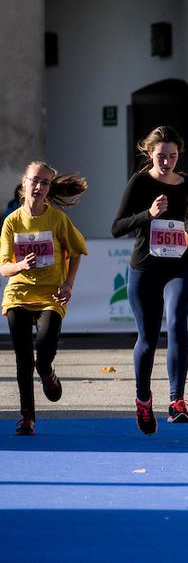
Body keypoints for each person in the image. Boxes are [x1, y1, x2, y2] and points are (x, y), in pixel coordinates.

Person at [111, 126, 188, 434]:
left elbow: (182, 213)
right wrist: (148, 214)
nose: (167, 162)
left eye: (172, 156)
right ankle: (143, 398)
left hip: (179, 264)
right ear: (149, 154)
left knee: (176, 323)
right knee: (148, 339)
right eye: (161, 156)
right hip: (146, 267)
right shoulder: (139, 182)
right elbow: (117, 226)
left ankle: (177, 402)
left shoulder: (185, 182)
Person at [1, 162, 88, 435]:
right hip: (18, 294)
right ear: (23, 184)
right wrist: (20, 266)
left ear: (49, 189)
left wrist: (68, 284)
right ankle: (27, 417)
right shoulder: (11, 222)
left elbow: (76, 251)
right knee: (23, 359)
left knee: (43, 352)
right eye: (34, 181)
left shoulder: (58, 220)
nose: (39, 187)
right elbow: (4, 266)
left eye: (45, 183)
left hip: (51, 295)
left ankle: (47, 371)